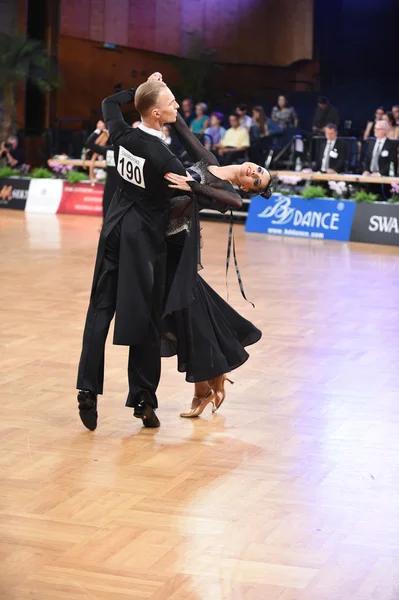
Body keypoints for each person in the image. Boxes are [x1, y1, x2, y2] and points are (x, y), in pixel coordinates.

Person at [76, 73, 187, 431]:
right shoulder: (163, 156)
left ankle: (87, 391)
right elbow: (189, 190)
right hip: (142, 246)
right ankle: (143, 399)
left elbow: (109, 103)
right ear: (155, 113)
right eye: (170, 102)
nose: (176, 106)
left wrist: (139, 89)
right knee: (146, 320)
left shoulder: (122, 135)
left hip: (113, 233)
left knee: (99, 312)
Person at [160, 110, 270, 417]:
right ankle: (211, 380)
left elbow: (234, 204)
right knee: (194, 316)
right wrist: (161, 91)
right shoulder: (209, 160)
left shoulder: (229, 192)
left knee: (189, 317)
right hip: (162, 241)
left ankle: (207, 384)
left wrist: (191, 186)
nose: (253, 172)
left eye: (256, 180)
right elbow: (181, 128)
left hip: (179, 246)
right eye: (258, 170)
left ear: (249, 187)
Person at [84, 120, 118, 219]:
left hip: (125, 188)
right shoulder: (109, 150)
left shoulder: (129, 149)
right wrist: (98, 130)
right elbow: (89, 144)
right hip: (110, 186)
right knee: (106, 206)